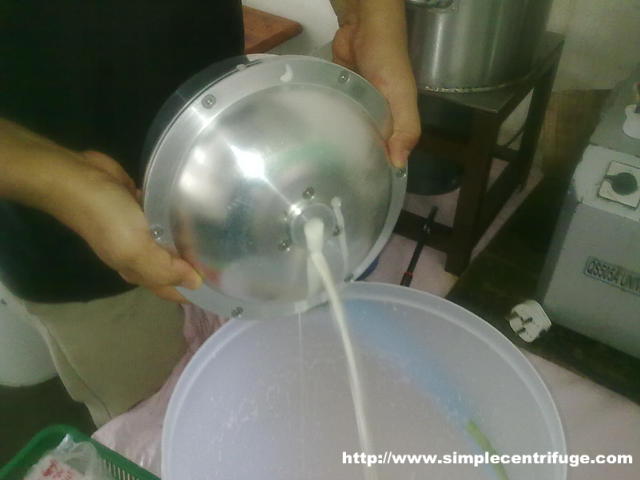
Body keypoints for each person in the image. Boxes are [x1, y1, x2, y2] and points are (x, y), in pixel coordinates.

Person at [0, 0, 420, 426]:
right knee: (149, 417)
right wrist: (71, 188)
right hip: (82, 240)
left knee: (252, 375)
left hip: (237, 174)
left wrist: (372, 18)